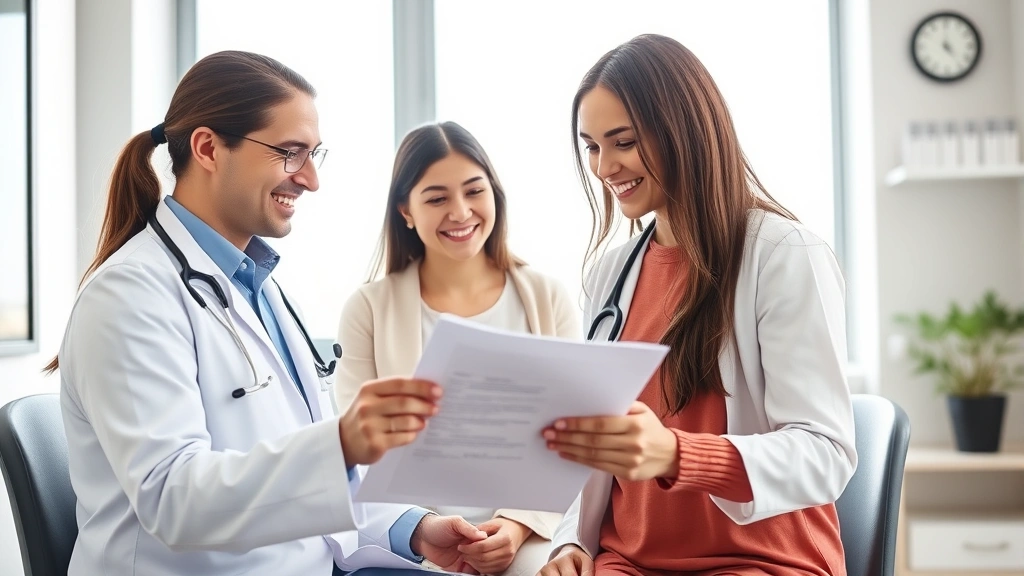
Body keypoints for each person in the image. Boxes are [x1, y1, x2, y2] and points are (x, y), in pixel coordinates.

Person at [46, 50, 489, 576]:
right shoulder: (129, 296)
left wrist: (410, 528)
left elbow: (302, 476)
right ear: (208, 148)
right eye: (290, 152)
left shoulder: (260, 289)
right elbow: (173, 499)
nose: (310, 179)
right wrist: (343, 441)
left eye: (313, 154)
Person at [538, 34, 857, 576]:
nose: (604, 166)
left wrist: (676, 454)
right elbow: (593, 445)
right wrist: (571, 543)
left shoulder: (784, 256)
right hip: (630, 561)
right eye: (591, 146)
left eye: (624, 141)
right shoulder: (608, 274)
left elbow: (825, 453)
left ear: (683, 131)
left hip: (762, 560)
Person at [336, 121, 580, 576]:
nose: (461, 211)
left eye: (474, 191)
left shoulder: (547, 298)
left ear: (495, 195)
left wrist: (514, 524)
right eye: (436, 198)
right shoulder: (368, 308)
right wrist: (426, 527)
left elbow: (571, 443)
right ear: (405, 211)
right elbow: (357, 454)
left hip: (527, 531)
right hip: (414, 537)